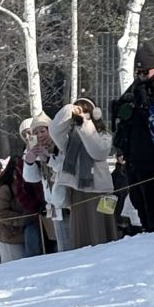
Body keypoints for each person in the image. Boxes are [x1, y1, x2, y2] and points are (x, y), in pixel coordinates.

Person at [111, 42, 154, 233]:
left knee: (153, 198)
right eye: (139, 73)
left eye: (146, 72)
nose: (142, 77)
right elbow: (122, 116)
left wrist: (144, 106)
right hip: (134, 153)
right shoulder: (136, 87)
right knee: (138, 198)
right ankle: (148, 230)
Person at [49, 99, 118, 247]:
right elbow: (54, 130)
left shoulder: (104, 135)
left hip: (99, 191)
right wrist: (69, 110)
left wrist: (84, 125)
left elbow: (98, 152)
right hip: (78, 190)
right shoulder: (69, 138)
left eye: (86, 110)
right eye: (79, 110)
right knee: (81, 233)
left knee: (100, 231)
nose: (82, 113)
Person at [20, 114, 57, 252]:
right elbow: (31, 179)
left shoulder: (59, 145)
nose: (40, 135)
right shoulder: (35, 149)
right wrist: (29, 162)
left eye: (43, 131)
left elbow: (62, 168)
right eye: (36, 133)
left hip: (66, 203)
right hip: (51, 206)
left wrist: (48, 159)